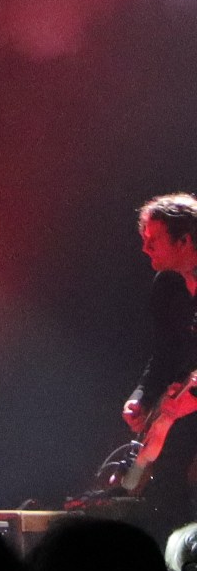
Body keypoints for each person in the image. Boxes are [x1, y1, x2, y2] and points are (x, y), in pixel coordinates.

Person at [120, 193, 197, 536]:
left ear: (185, 241)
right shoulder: (166, 286)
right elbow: (163, 355)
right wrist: (142, 397)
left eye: (154, 240)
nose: (145, 248)